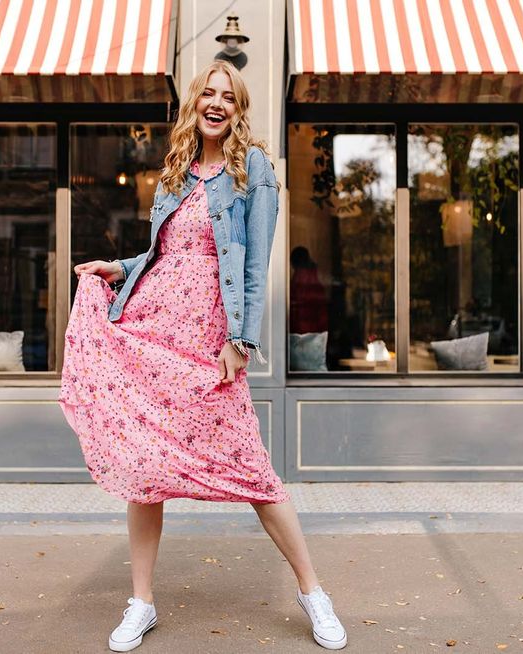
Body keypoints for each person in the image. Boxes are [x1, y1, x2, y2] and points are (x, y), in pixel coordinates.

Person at [59, 60, 347, 652]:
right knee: (144, 470)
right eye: (207, 94)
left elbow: (254, 264)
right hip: (156, 330)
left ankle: (313, 592)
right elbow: (159, 256)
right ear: (194, 103)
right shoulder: (175, 175)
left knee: (254, 472)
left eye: (229, 97)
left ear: (239, 110)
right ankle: (141, 602)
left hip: (209, 342)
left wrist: (241, 341)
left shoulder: (253, 171)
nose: (217, 103)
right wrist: (117, 269)